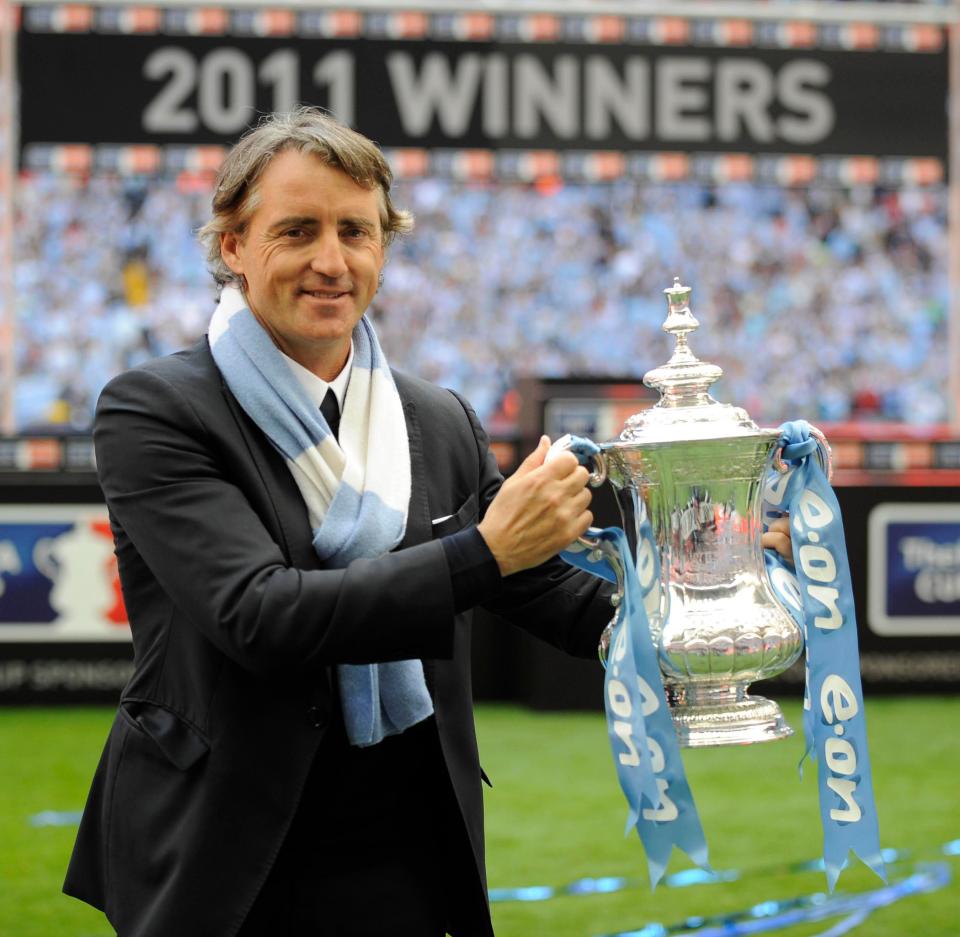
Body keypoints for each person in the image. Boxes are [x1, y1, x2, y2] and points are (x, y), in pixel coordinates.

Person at [63, 108, 614, 937]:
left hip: (409, 851)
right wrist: (482, 553)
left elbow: (546, 591)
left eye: (356, 231)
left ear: (383, 250)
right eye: (297, 229)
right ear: (234, 247)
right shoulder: (156, 409)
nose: (331, 260)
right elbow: (259, 613)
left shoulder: (438, 417)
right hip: (227, 857)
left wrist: (706, 586)